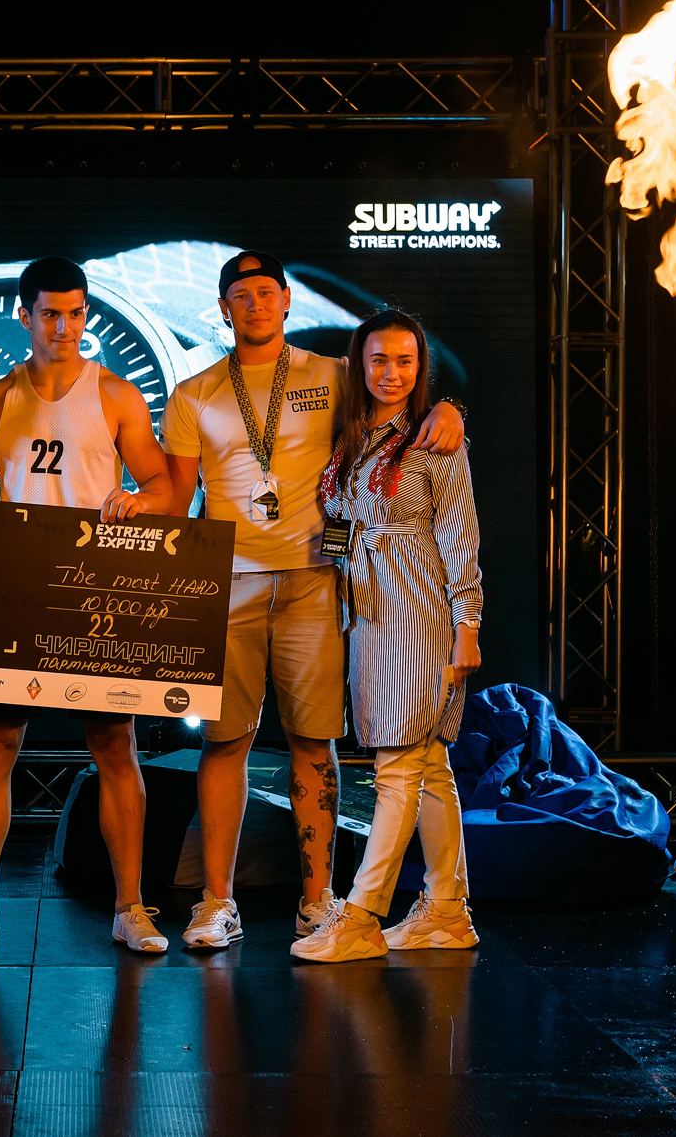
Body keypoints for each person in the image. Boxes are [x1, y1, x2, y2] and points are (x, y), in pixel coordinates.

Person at [162, 254, 464, 951]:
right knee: (223, 742)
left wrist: (449, 408)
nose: (255, 305)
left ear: (287, 301)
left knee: (314, 742)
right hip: (227, 584)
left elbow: (399, 399)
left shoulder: (331, 374)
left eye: (266, 293)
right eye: (242, 296)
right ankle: (216, 902)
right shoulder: (194, 392)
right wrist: (127, 510)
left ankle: (317, 901)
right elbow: (175, 499)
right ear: (223, 307)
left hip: (314, 580)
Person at [0, 257, 177, 953]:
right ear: (25, 316)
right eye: (51, 313)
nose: (65, 326)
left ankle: (130, 907)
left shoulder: (115, 394)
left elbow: (164, 485)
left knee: (114, 745)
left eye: (76, 313)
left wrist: (139, 501)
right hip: (17, 585)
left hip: (92, 589)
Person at [293, 308, 483, 962]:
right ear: (359, 364)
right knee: (430, 768)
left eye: (406, 361)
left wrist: (468, 627)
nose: (392, 373)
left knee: (398, 767)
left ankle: (361, 915)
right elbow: (343, 528)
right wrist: (328, 563)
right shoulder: (350, 439)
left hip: (421, 617)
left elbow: (460, 541)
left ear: (421, 367)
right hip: (368, 615)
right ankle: (448, 912)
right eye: (379, 359)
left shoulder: (436, 439)